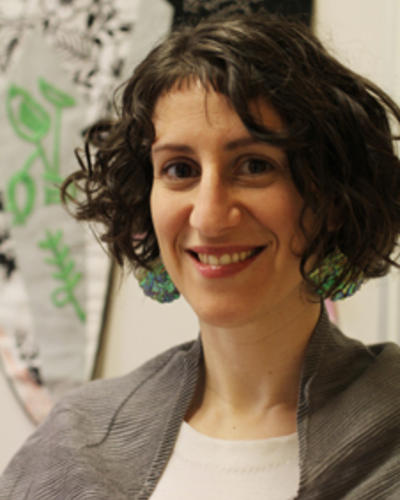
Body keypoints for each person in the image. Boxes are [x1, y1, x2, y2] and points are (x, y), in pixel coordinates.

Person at [1, 11, 400, 500]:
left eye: (254, 166)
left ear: (334, 199)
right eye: (180, 169)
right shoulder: (74, 442)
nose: (209, 217)